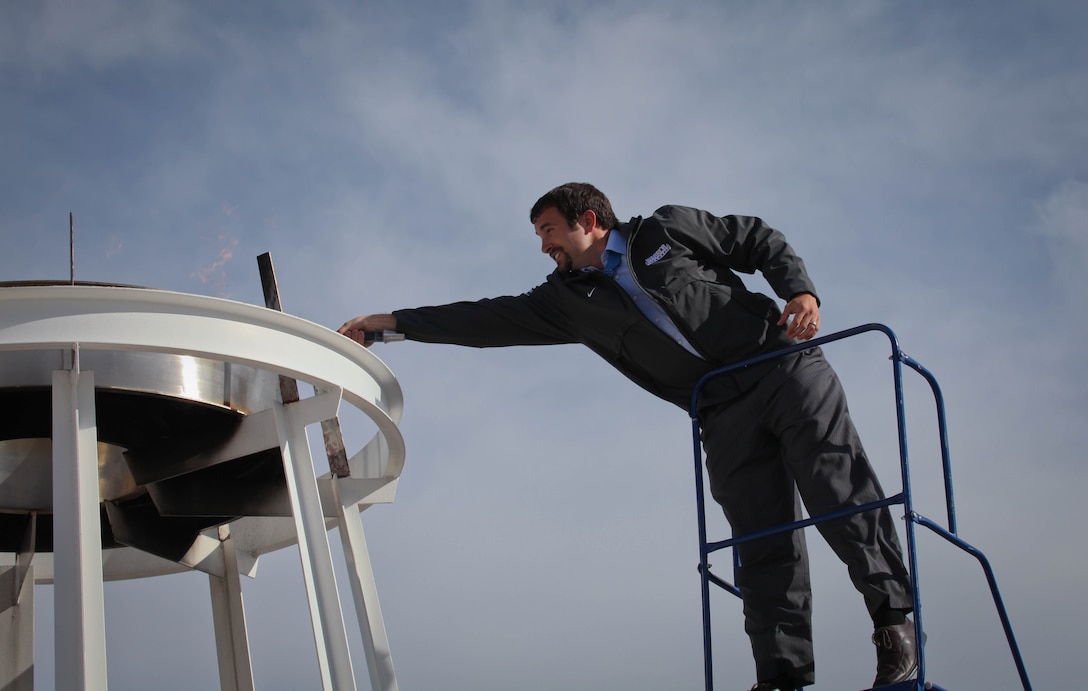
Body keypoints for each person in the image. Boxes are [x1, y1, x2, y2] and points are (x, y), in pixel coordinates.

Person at [340, 182, 919, 690]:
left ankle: (894, 627)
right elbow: (484, 319)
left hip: (782, 366)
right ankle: (781, 676)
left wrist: (801, 292)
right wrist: (390, 325)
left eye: (549, 230)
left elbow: (757, 239)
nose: (544, 246)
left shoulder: (664, 230)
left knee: (835, 488)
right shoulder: (565, 301)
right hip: (722, 409)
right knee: (760, 539)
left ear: (588, 221)